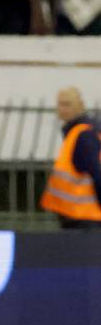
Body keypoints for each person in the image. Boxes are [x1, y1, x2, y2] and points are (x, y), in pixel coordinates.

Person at [40, 87, 101, 228]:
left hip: (85, 216)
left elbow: (96, 173)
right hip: (79, 215)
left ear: (79, 106)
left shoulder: (82, 134)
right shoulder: (78, 132)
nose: (62, 109)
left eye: (67, 104)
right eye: (60, 104)